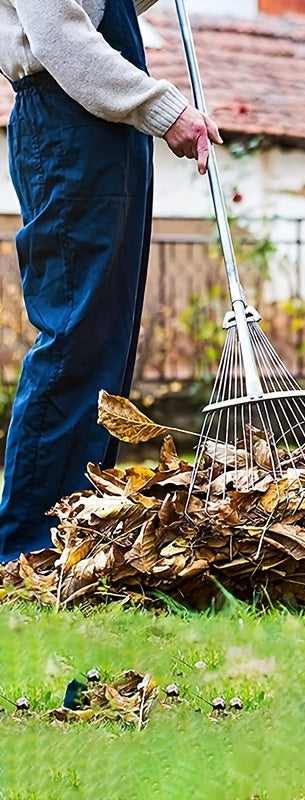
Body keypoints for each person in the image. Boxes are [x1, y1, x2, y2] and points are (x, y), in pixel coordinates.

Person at [0, 0, 221, 561]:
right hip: (67, 126)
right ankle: (27, 544)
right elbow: (61, 38)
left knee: (104, 346)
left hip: (103, 134)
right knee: (76, 338)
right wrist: (164, 109)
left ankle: (75, 530)